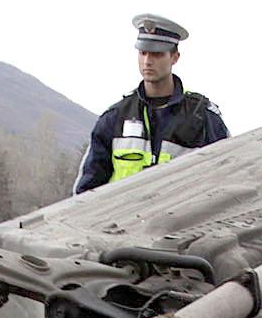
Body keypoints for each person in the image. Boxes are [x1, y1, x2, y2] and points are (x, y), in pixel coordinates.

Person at [73, 13, 228, 194]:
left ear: (175, 57)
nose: (147, 61)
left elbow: (227, 178)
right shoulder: (115, 117)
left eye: (156, 54)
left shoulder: (203, 117)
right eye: (143, 53)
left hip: (182, 221)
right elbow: (84, 193)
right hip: (121, 221)